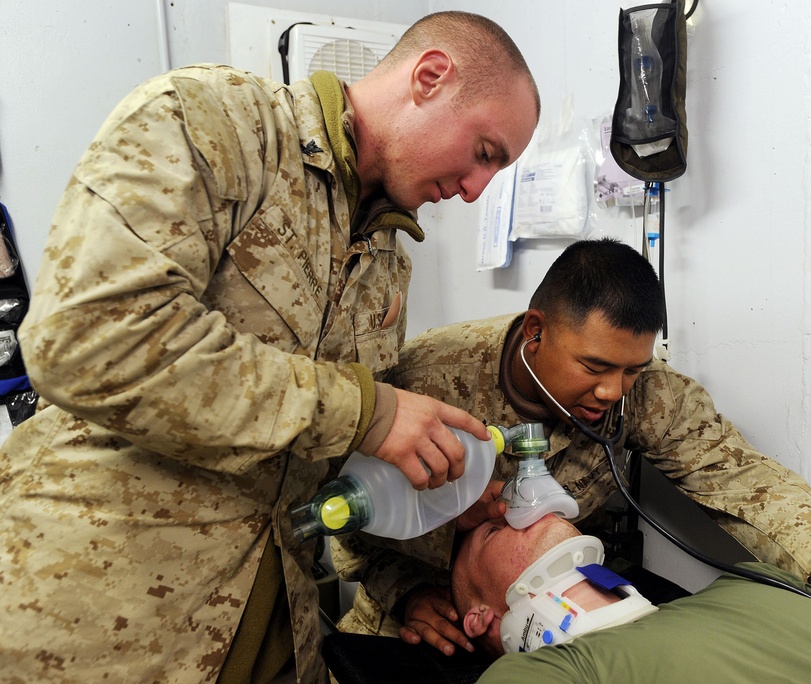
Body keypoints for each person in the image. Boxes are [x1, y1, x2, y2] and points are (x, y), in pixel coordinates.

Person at [0, 11, 538, 683]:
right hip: (102, 615)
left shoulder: (386, 262)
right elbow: (86, 336)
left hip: (273, 614)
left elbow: (321, 449)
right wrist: (368, 414)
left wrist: (442, 498)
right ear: (431, 77)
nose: (475, 190)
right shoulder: (215, 121)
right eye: (485, 152)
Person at [336, 238, 811, 682]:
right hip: (414, 617)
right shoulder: (419, 381)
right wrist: (409, 595)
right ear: (535, 331)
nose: (612, 392)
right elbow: (345, 521)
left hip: (563, 620)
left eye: (632, 369)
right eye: (595, 367)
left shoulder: (644, 393)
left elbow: (747, 484)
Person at [452, 514, 811, 683]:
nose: (513, 506)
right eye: (493, 530)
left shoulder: (754, 578)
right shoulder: (552, 672)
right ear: (483, 617)